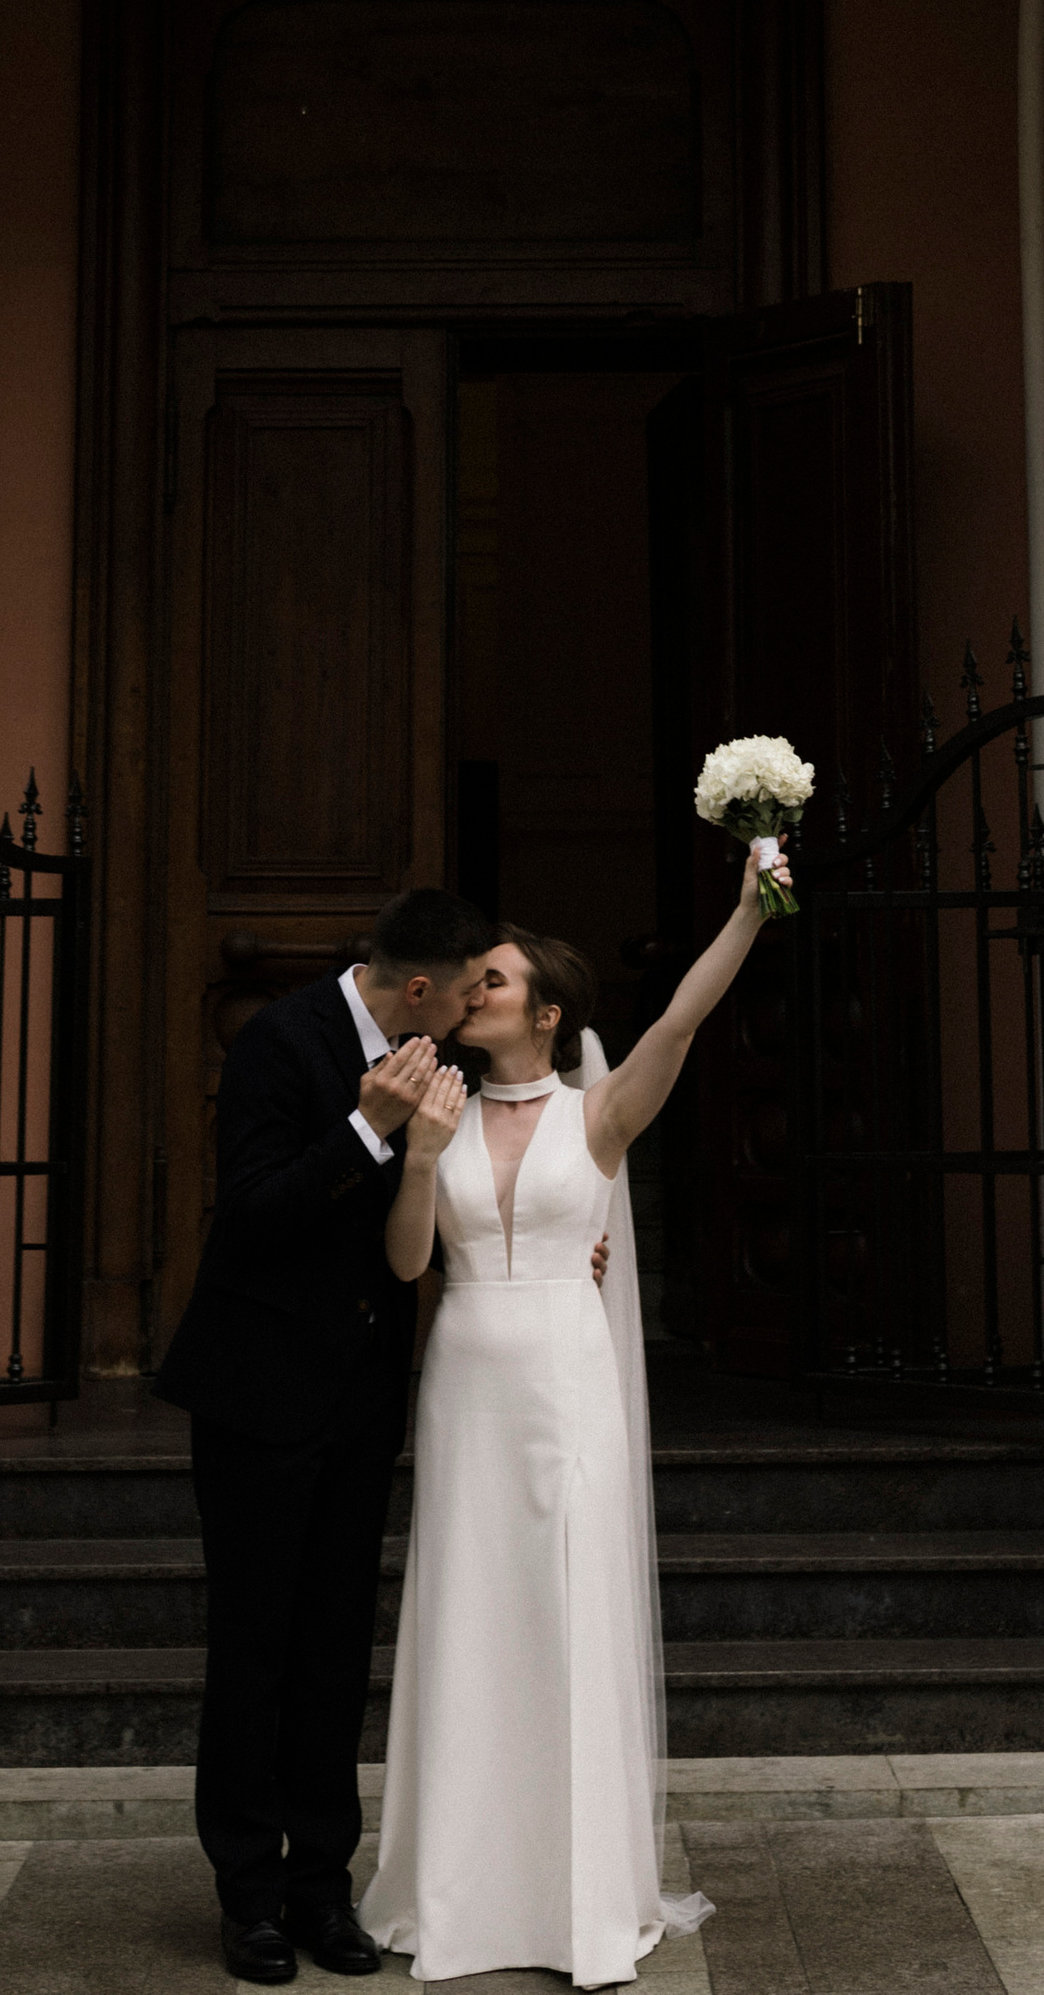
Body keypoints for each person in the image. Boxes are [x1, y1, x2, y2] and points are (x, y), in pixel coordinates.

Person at [364, 846, 770, 1988]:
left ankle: (579, 1900)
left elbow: (682, 1022)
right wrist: (419, 1158)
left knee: (567, 1610)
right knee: (467, 1615)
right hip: (464, 1381)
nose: (471, 990)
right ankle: (458, 1888)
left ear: (546, 1014)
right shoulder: (433, 1104)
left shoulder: (599, 1114)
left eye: (492, 980)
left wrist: (749, 909)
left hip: (565, 1382)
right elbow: (407, 1266)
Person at [154, 885, 497, 1986]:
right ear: (417, 988)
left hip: (360, 1401)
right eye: (464, 994)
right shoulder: (277, 1042)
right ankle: (249, 1898)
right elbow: (251, 1216)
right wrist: (364, 1129)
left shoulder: (436, 1059)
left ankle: (322, 1888)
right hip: (257, 1397)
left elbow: (451, 1196)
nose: (470, 1013)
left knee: (336, 1652)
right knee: (254, 1648)